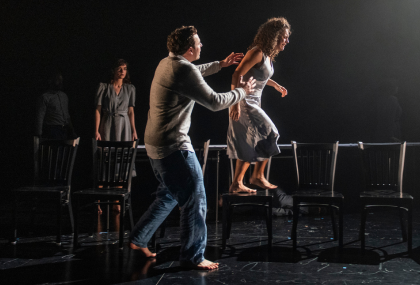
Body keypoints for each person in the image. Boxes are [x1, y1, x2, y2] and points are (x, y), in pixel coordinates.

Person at [129, 25, 255, 270]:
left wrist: (221, 64)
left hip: (154, 145)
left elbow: (196, 70)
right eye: (198, 44)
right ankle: (193, 255)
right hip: (173, 146)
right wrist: (242, 91)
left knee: (168, 195)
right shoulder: (182, 70)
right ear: (189, 49)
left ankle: (138, 239)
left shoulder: (167, 63)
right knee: (196, 198)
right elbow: (215, 102)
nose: (201, 46)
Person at [227, 17, 291, 193]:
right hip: (243, 101)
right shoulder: (257, 52)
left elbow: (261, 76)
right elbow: (236, 75)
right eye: (284, 37)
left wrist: (275, 85)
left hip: (254, 102)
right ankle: (257, 176)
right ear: (274, 35)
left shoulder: (268, 56)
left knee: (250, 142)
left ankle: (237, 183)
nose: (287, 41)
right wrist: (234, 103)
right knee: (271, 132)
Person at [95, 59, 137, 142]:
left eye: (125, 69)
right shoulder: (104, 87)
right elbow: (98, 110)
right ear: (113, 70)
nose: (122, 71)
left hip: (124, 124)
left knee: (123, 151)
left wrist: (134, 130)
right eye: (119, 69)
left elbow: (131, 111)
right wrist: (96, 130)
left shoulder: (130, 89)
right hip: (108, 123)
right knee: (108, 151)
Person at [34, 69, 75, 140]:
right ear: (50, 81)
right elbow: (40, 116)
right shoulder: (45, 97)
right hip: (52, 129)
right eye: (58, 80)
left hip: (64, 129)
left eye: (61, 80)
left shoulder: (64, 96)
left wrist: (72, 130)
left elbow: (67, 115)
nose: (60, 82)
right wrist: (39, 134)